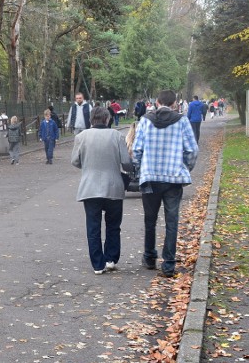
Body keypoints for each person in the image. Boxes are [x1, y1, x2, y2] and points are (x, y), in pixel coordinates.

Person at [132, 89, 198, 278]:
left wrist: (140, 168)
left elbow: (136, 150)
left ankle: (150, 257)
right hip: (173, 178)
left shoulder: (145, 120)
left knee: (150, 219)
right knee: (171, 221)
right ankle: (168, 263)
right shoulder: (182, 121)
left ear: (157, 102)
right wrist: (185, 167)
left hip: (150, 177)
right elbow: (192, 150)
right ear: (174, 104)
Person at [71, 107, 133, 274]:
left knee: (93, 226)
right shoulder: (117, 136)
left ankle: (97, 264)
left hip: (89, 187)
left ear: (91, 120)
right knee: (113, 225)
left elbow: (75, 161)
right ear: (107, 120)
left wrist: (89, 165)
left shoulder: (81, 137)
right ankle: (111, 258)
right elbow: (126, 163)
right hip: (113, 186)